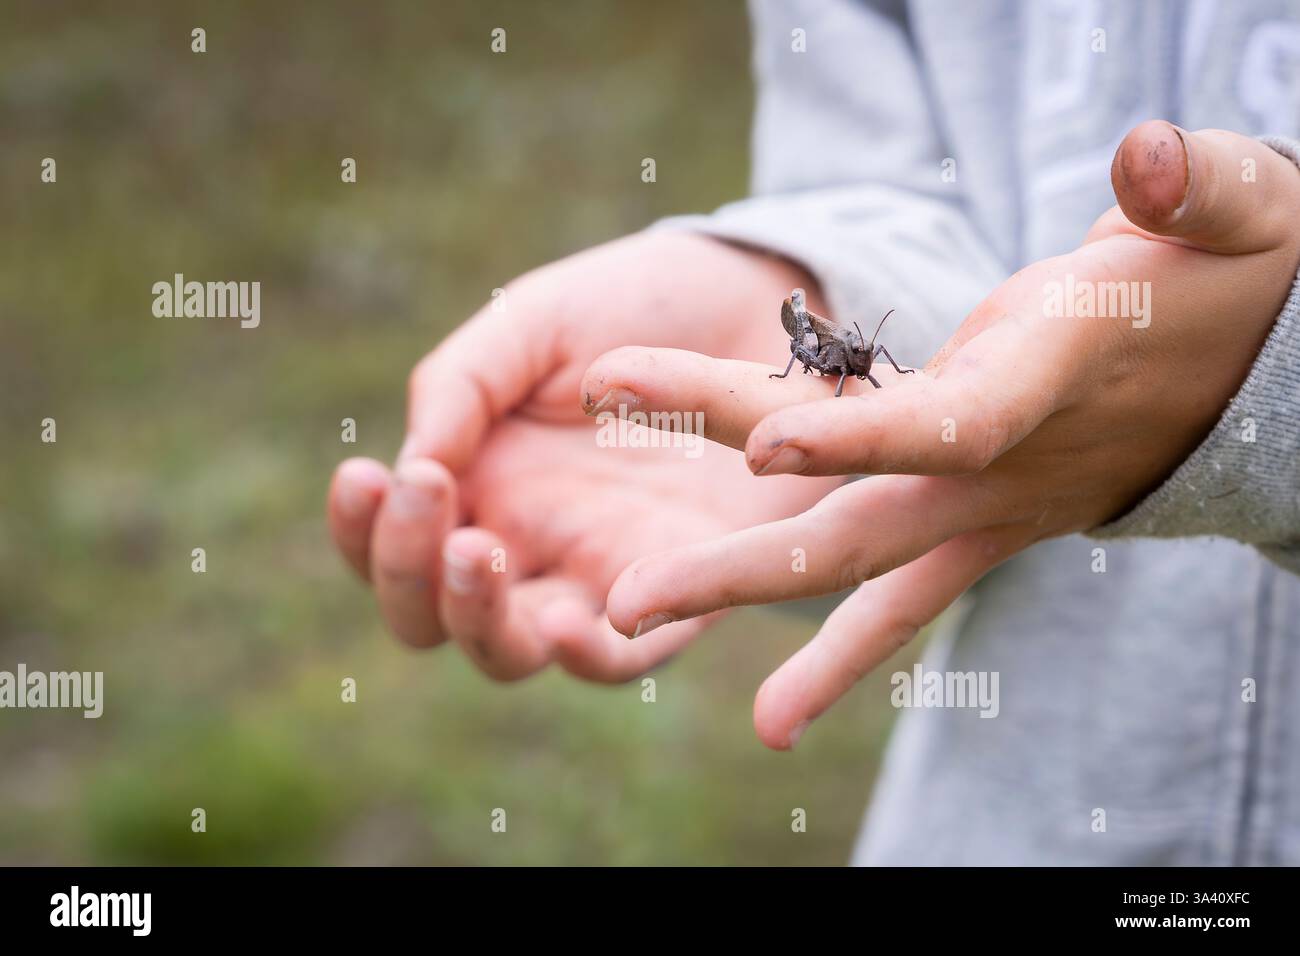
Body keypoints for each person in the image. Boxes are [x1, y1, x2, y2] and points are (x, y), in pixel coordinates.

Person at [327, 0, 1300, 864]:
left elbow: (874, 368)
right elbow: (878, 200)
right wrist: (809, 268)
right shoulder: (825, 351)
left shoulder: (854, 365)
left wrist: (1266, 368)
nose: (855, 367)